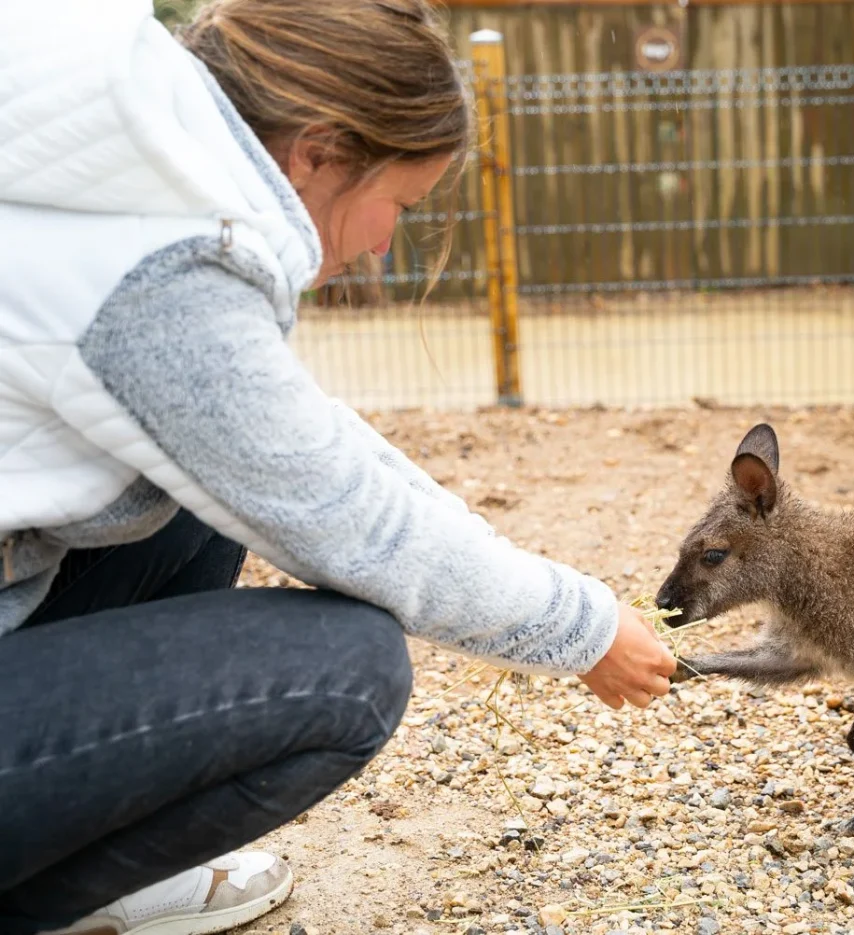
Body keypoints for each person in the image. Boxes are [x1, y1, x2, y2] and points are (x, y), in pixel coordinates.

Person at [0, 1, 678, 932]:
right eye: (396, 204)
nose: (382, 244)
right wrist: (583, 628)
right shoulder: (161, 271)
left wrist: (563, 594)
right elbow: (348, 520)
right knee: (347, 672)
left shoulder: (104, 166)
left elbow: (298, 440)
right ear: (317, 151)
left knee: (196, 505)